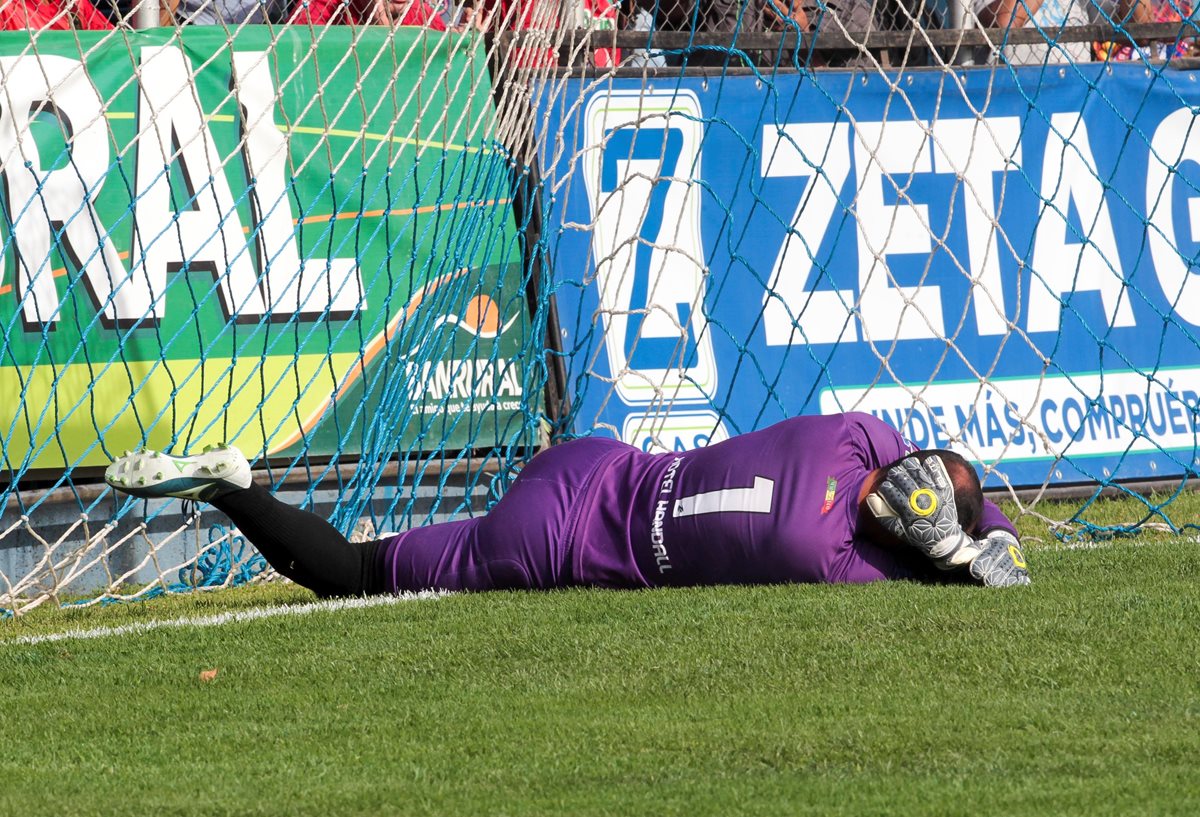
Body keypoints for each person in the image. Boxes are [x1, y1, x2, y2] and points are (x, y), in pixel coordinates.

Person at [103, 412, 1030, 598]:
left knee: (371, 561)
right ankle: (235, 490)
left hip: (597, 460)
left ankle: (238, 484)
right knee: (355, 575)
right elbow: (957, 561)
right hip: (551, 541)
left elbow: (913, 480)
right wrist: (981, 542)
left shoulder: (854, 435)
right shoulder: (827, 559)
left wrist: (961, 514)